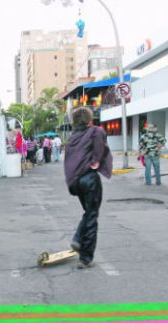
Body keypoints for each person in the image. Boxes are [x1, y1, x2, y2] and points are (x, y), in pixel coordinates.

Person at [63, 106, 113, 269]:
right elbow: (99, 150)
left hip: (75, 182)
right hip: (89, 179)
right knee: (92, 217)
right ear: (89, 120)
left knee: (88, 213)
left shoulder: (72, 137)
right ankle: (85, 257)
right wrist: (96, 161)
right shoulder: (95, 131)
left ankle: (78, 239)